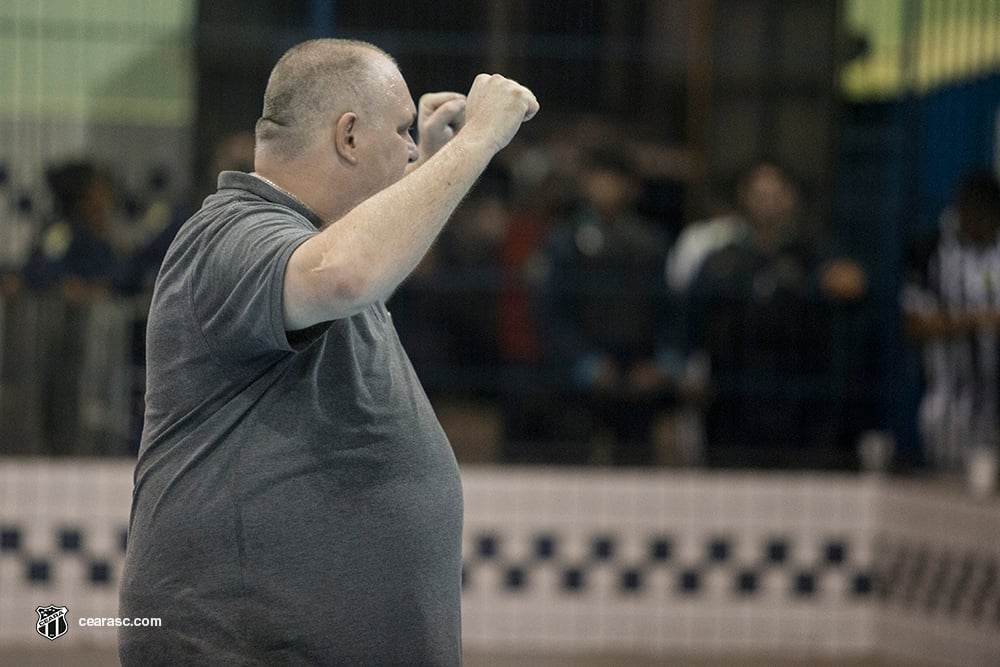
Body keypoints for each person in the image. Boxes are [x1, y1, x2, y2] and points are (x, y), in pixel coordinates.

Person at [118, 39, 537, 666]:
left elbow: (361, 255)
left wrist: (429, 162)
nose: (411, 149)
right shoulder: (234, 231)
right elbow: (344, 272)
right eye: (400, 133)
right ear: (348, 137)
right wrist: (481, 141)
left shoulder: (308, 240)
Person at [683, 159, 868, 468]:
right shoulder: (722, 258)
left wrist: (810, 284)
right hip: (735, 399)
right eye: (757, 192)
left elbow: (853, 283)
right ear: (742, 197)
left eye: (775, 192)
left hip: (799, 399)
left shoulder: (814, 250)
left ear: (791, 197)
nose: (766, 201)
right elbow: (692, 319)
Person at [532, 146, 671, 465]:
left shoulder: (650, 241)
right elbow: (549, 313)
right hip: (576, 380)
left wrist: (660, 362)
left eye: (615, 179)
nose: (606, 187)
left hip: (638, 376)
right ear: (585, 183)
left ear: (631, 187)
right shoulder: (562, 241)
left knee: (636, 471)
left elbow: (668, 310)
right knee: (572, 466)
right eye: (598, 178)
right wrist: (584, 362)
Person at [902, 170, 1000, 477]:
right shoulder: (931, 251)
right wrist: (975, 320)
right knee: (948, 491)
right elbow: (915, 323)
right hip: (947, 406)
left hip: (993, 401)